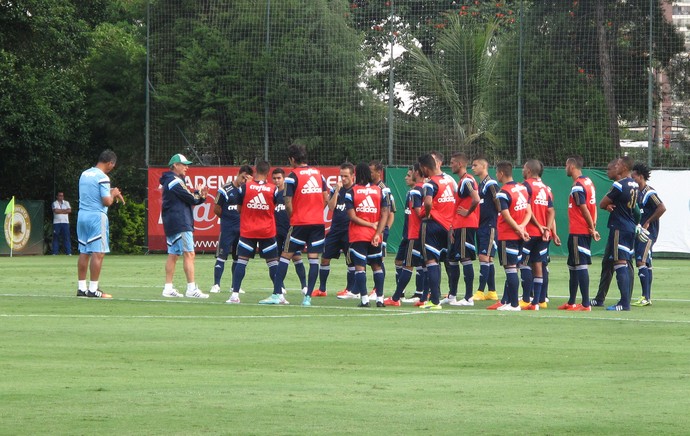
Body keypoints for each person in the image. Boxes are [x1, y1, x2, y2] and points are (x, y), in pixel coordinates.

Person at [260, 143, 329, 306]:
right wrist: (317, 212)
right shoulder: (319, 175)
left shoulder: (292, 176)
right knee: (313, 259)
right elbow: (326, 199)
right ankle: (307, 298)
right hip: (317, 223)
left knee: (285, 256)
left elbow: (287, 200)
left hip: (300, 223)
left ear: (292, 159)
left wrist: (293, 217)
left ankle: (277, 294)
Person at [233, 161, 285, 304]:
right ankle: (279, 295)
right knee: (273, 263)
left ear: (255, 171)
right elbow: (275, 207)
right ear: (268, 173)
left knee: (242, 261)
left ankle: (234, 295)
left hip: (248, 230)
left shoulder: (245, 187)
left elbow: (238, 209)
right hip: (267, 231)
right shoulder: (273, 189)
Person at [76, 149, 124, 298]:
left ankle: (81, 288)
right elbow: (107, 201)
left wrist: (109, 190)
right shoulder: (103, 177)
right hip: (96, 217)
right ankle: (93, 289)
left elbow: (92, 192)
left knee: (84, 252)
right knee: (98, 253)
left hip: (82, 215)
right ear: (110, 163)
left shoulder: (84, 174)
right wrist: (114, 193)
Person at [160, 153, 209, 298]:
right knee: (189, 253)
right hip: (180, 222)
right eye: (184, 164)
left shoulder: (172, 180)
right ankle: (191, 288)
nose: (187, 167)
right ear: (175, 165)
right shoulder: (175, 181)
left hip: (173, 221)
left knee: (173, 254)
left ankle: (168, 288)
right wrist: (200, 195)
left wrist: (200, 196)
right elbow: (190, 198)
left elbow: (189, 198)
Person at [488, 161, 531, 311]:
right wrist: (523, 227)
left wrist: (518, 229)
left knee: (511, 269)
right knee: (515, 268)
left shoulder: (503, 192)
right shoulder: (522, 188)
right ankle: (510, 302)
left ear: (500, 174)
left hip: (509, 235)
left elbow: (506, 216)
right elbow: (528, 211)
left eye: (497, 173)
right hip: (519, 234)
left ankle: (514, 304)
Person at [345, 162, 390, 307]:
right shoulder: (379, 190)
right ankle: (380, 299)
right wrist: (378, 233)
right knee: (377, 266)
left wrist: (368, 224)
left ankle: (364, 300)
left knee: (360, 267)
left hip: (358, 235)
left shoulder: (352, 192)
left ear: (356, 174)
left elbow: (352, 216)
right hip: (375, 235)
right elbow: (385, 214)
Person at [559, 155, 600, 312]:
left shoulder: (578, 186)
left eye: (566, 165)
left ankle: (585, 304)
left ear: (571, 166)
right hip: (581, 229)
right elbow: (593, 206)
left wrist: (591, 227)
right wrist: (593, 224)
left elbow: (583, 207)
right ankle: (571, 301)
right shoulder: (588, 182)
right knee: (573, 265)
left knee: (581, 265)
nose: (565, 168)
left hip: (579, 230)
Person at [417, 153, 457, 310]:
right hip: (447, 226)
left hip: (432, 224)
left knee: (431, 261)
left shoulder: (430, 184)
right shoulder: (448, 181)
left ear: (426, 168)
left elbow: (427, 201)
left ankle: (434, 300)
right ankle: (445, 295)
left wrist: (427, 212)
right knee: (444, 261)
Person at [599, 156, 639, 311]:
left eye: (619, 164)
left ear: (624, 168)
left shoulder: (619, 184)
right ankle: (625, 300)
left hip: (619, 227)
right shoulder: (634, 184)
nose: (616, 166)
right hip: (630, 226)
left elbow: (603, 203)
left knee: (619, 263)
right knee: (625, 262)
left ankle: (624, 303)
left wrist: (608, 206)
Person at [384, 164, 425, 306]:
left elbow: (420, 214)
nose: (406, 177)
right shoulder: (411, 192)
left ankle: (398, 298)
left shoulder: (419, 191)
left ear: (417, 173)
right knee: (399, 261)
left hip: (415, 234)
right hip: (407, 234)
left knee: (411, 264)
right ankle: (403, 294)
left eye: (409, 174)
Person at [443, 152, 480, 306]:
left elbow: (476, 198)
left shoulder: (467, 180)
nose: (450, 165)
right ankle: (452, 294)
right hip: (458, 225)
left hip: (466, 225)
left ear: (459, 164)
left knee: (464, 258)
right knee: (452, 259)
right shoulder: (461, 182)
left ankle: (468, 297)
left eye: (452, 162)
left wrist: (468, 212)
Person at [209, 165, 253, 294]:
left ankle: (235, 286)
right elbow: (216, 208)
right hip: (227, 229)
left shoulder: (248, 190)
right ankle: (216, 284)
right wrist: (227, 219)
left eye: (246, 179)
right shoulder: (225, 189)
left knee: (238, 258)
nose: (244, 181)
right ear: (239, 174)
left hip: (242, 230)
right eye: (242, 178)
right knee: (221, 256)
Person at [315, 162, 355, 298]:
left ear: (352, 176)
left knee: (350, 261)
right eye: (341, 176)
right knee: (325, 258)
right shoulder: (335, 189)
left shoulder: (356, 190)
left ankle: (350, 289)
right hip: (335, 230)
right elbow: (331, 207)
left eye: (346, 176)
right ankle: (322, 289)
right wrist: (337, 191)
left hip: (349, 231)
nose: (343, 179)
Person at [519, 159, 555, 311]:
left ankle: (526, 299)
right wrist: (547, 228)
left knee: (524, 264)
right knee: (538, 264)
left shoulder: (525, 186)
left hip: (529, 232)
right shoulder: (546, 188)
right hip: (543, 234)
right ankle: (539, 301)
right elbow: (551, 211)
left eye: (523, 168)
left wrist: (539, 225)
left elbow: (528, 210)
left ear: (528, 170)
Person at [631, 162, 666, 306]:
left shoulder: (649, 192)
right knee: (647, 263)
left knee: (640, 261)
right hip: (640, 232)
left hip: (648, 233)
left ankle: (645, 297)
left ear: (640, 176)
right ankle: (647, 297)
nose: (632, 179)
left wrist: (648, 222)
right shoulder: (637, 193)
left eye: (634, 177)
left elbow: (662, 208)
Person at [272, 167, 308, 295]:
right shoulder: (273, 194)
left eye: (279, 178)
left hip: (290, 230)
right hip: (277, 231)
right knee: (276, 258)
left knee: (296, 257)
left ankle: (304, 286)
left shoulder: (289, 193)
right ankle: (280, 286)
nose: (277, 181)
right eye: (274, 178)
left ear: (283, 178)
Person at [470, 157, 500, 302]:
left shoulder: (491, 183)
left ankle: (481, 291)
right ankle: (492, 291)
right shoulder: (480, 185)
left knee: (484, 257)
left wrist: (499, 216)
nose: (473, 168)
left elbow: (498, 200)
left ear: (484, 166)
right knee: (488, 258)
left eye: (475, 165)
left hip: (490, 225)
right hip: (481, 225)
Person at [367, 160, 396, 299]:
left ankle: (378, 290)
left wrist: (385, 230)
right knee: (374, 259)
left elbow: (390, 212)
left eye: (371, 171)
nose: (369, 173)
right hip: (372, 229)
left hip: (380, 230)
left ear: (379, 172)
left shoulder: (384, 189)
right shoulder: (370, 187)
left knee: (379, 259)